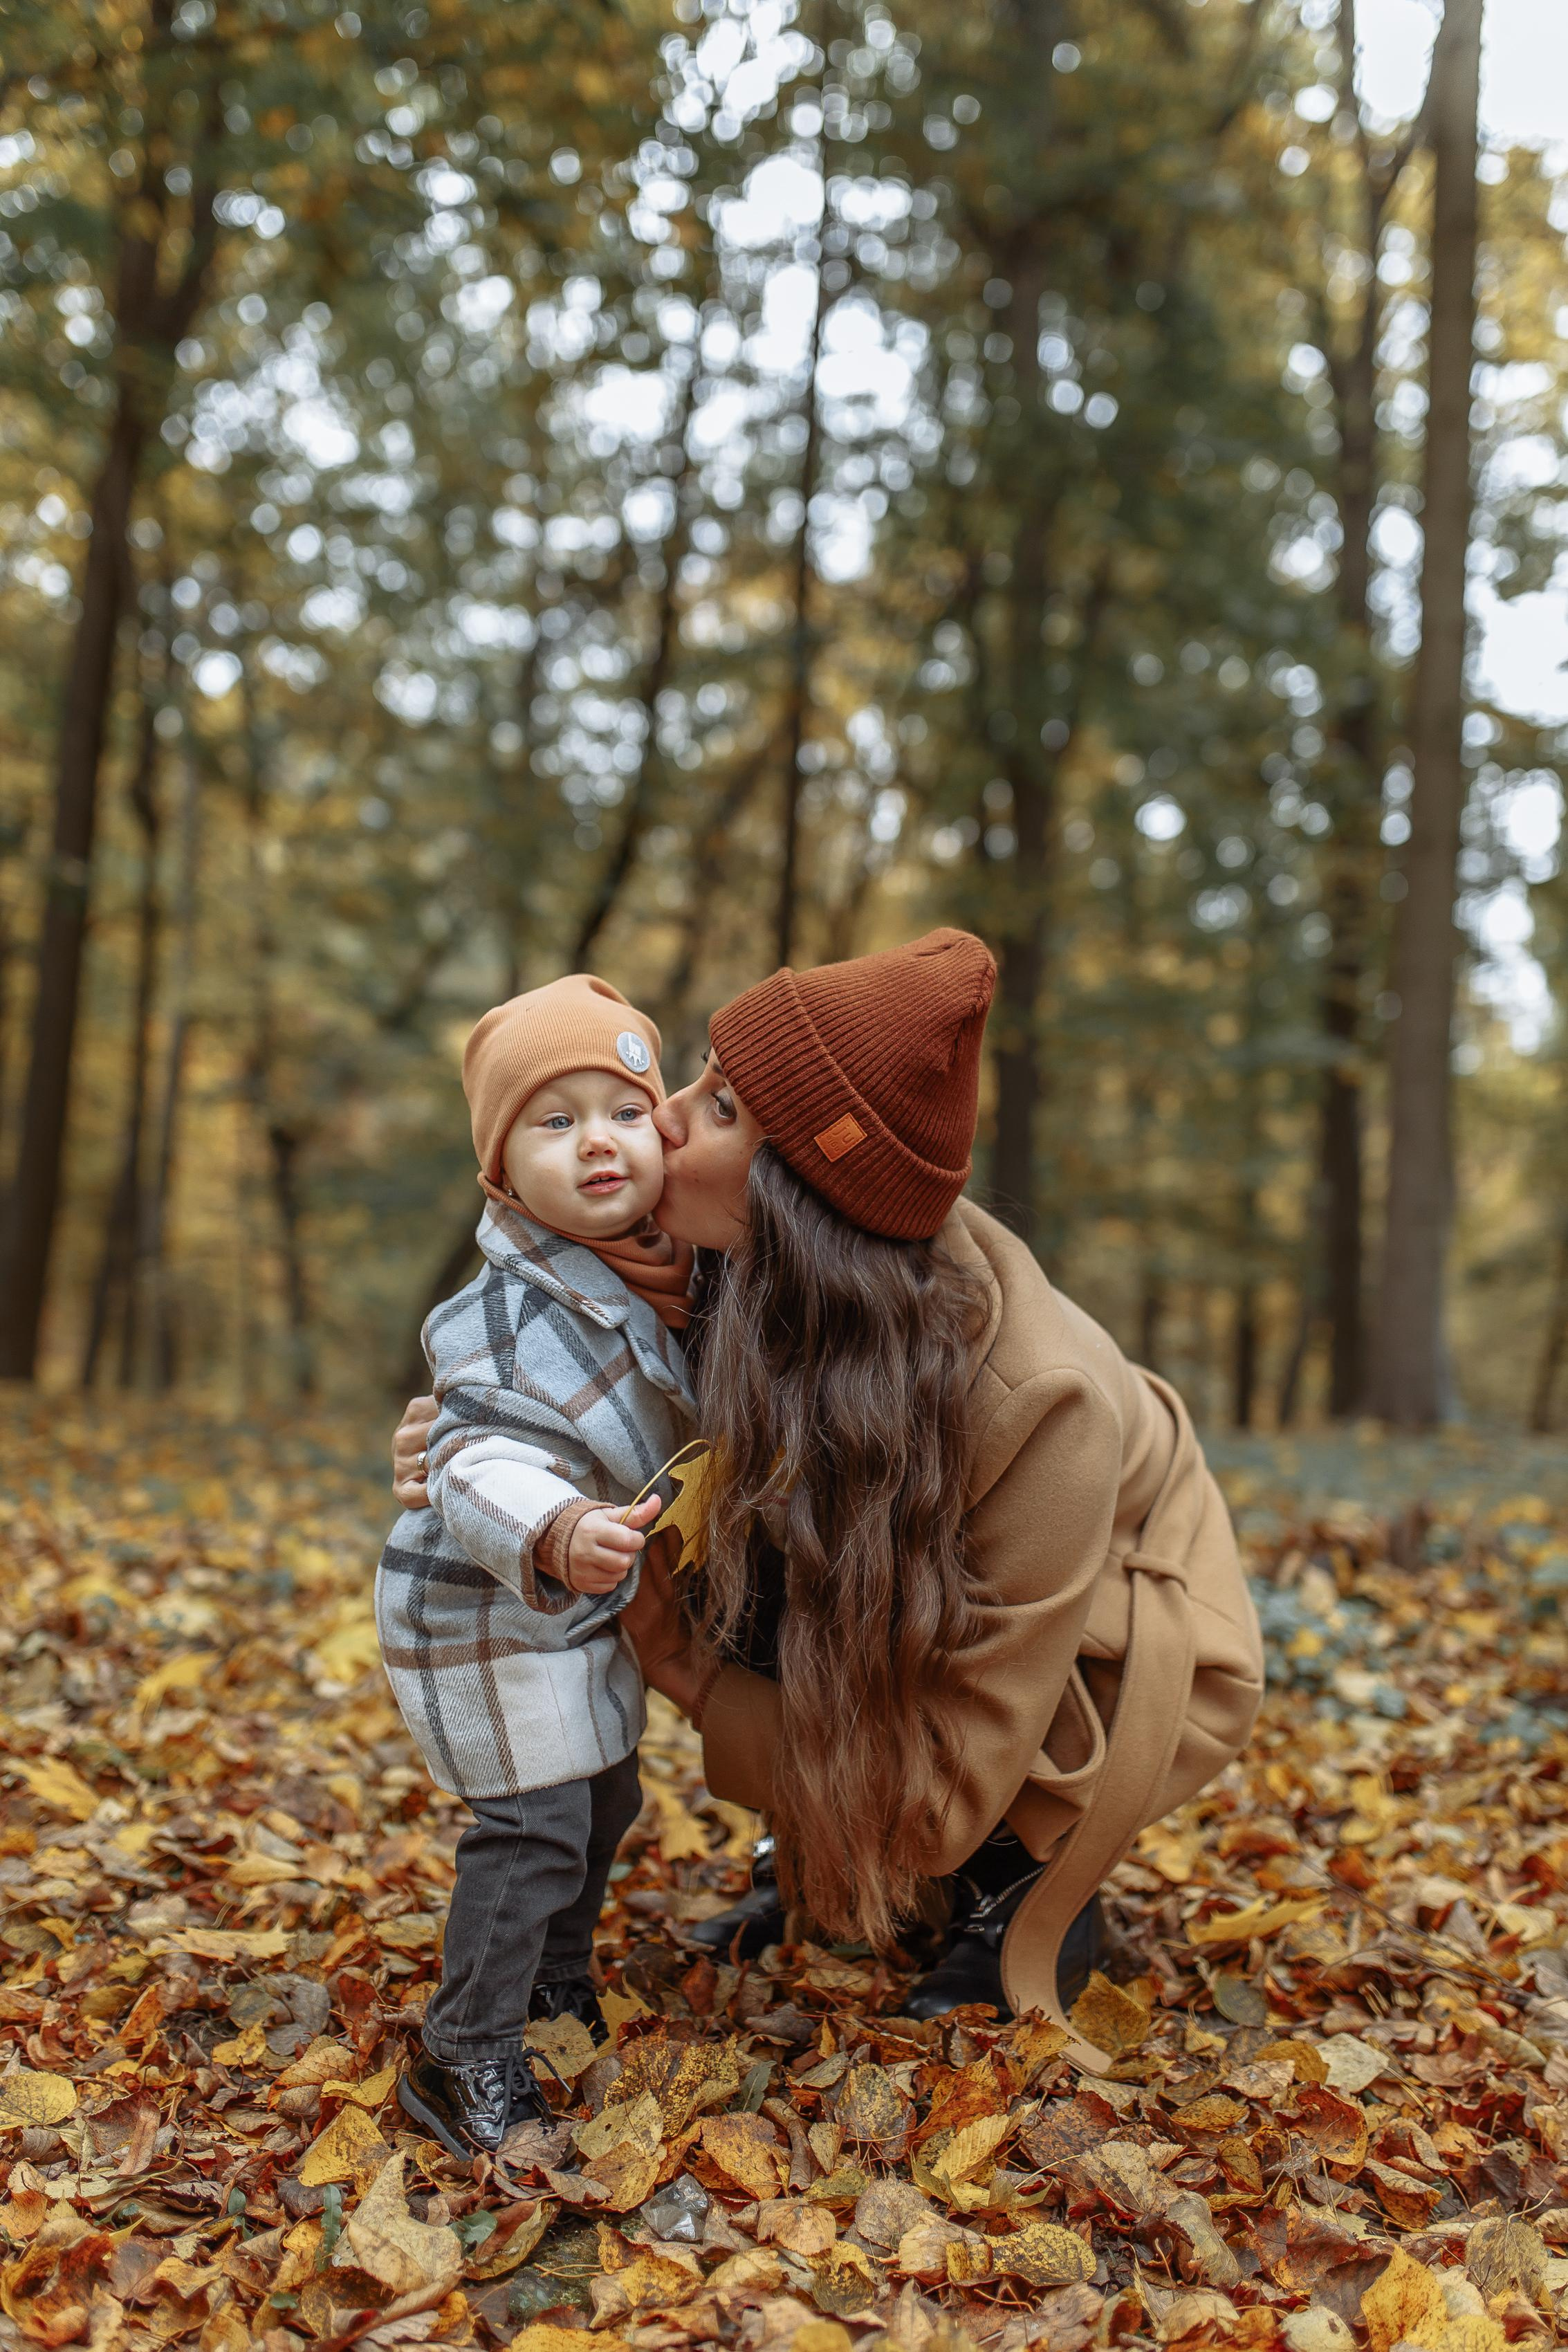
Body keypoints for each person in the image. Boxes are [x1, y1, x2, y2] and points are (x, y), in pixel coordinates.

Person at [393, 930, 1264, 2067]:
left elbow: (956, 1763)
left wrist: (688, 1670)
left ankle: (1019, 1887)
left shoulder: (1041, 1407)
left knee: (972, 1719)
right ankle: (822, 1863)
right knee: (779, 1547)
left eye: (714, 1109)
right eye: (697, 1080)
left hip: (1110, 1623)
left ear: (792, 1194)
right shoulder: (738, 1261)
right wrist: (470, 1446)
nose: (658, 1120)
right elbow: (547, 1357)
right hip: (929, 1551)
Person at [378, 974, 698, 2158]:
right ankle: (464, 2050)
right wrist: (555, 1526)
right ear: (504, 1172)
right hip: (490, 1602)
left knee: (608, 1792)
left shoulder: (665, 1270)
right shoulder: (503, 1310)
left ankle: (558, 1976)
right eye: (554, 1123)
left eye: (620, 1110)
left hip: (583, 1602)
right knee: (534, 1826)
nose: (597, 1143)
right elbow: (470, 1460)